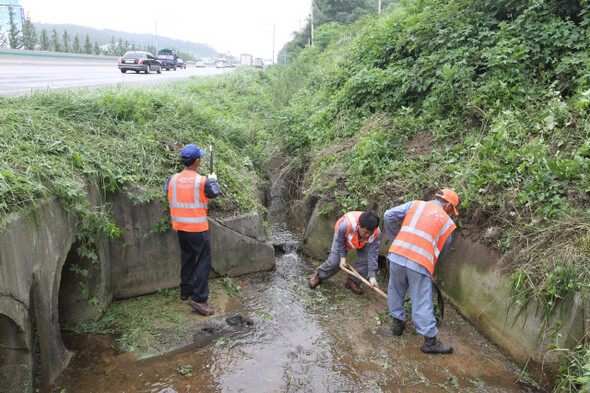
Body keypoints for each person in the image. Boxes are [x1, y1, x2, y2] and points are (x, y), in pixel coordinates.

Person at [384, 189, 459, 354]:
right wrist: (430, 261)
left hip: (397, 254)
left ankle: (397, 324)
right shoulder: (447, 223)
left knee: (396, 290)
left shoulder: (414, 204)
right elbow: (442, 247)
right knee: (422, 300)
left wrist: (396, 237)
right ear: (448, 205)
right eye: (451, 209)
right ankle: (430, 342)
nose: (450, 213)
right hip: (419, 262)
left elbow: (388, 215)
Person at [163, 144, 220, 316]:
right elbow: (214, 192)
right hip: (197, 228)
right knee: (203, 261)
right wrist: (213, 179)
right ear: (197, 161)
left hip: (180, 227)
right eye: (200, 158)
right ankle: (199, 299)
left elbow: (167, 190)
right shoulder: (202, 181)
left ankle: (185, 291)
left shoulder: (172, 179)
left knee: (187, 257)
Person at [309, 211, 381, 294]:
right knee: (335, 261)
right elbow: (340, 241)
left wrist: (372, 276)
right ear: (358, 225)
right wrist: (342, 257)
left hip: (363, 243)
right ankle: (319, 275)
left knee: (366, 261)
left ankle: (352, 281)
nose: (368, 235)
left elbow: (373, 254)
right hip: (343, 239)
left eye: (370, 233)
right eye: (366, 232)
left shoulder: (376, 233)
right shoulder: (346, 225)